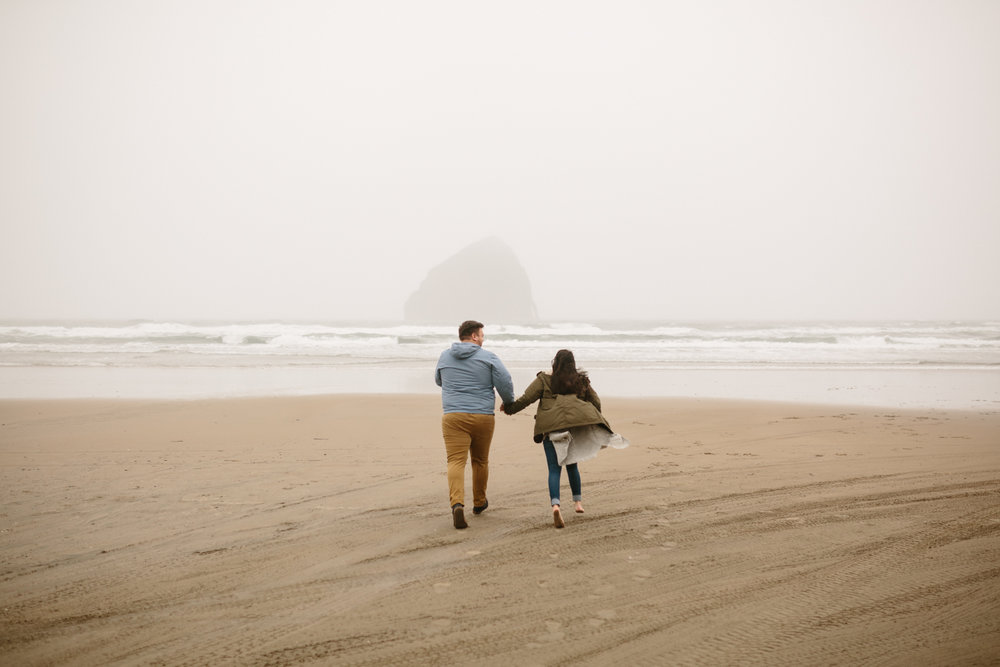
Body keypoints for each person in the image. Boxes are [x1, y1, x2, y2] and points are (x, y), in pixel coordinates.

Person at [502, 349, 627, 528]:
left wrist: (509, 409)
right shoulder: (581, 381)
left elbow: (526, 398)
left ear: (555, 362)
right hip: (573, 430)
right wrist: (593, 421)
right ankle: (578, 503)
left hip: (550, 430)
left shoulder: (544, 379)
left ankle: (555, 505)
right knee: (572, 465)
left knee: (554, 469)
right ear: (573, 364)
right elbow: (596, 402)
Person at [435, 320, 516, 530]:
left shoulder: (445, 356)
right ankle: (479, 503)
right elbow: (505, 381)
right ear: (473, 336)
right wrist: (508, 402)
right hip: (482, 416)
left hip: (453, 416)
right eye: (481, 334)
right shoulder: (488, 357)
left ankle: (457, 504)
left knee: (455, 461)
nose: (483, 338)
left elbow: (439, 380)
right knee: (480, 460)